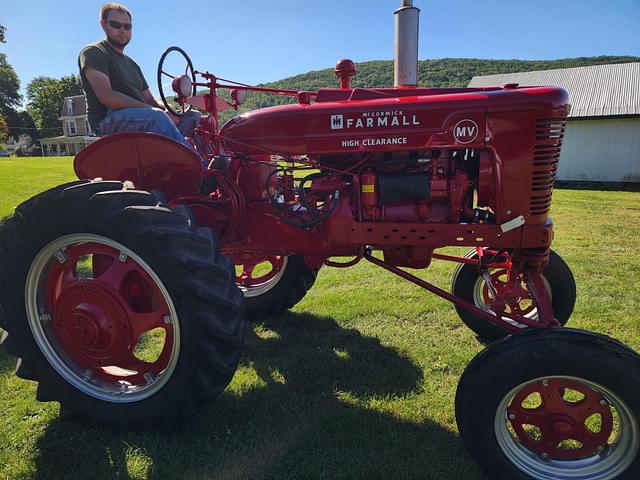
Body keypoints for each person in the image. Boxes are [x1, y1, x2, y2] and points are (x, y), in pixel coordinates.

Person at [78, 3, 198, 148]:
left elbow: (149, 98)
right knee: (157, 117)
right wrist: (152, 110)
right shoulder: (94, 52)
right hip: (107, 119)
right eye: (116, 25)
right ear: (103, 24)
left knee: (193, 116)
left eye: (127, 26)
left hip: (140, 115)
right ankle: (197, 165)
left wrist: (167, 108)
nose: (122, 30)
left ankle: (217, 164)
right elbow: (107, 96)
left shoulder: (132, 64)